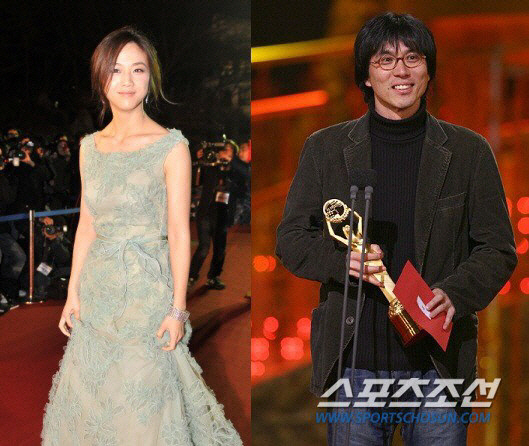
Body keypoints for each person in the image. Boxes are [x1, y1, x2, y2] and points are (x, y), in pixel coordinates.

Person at [276, 12, 517, 446]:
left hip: (438, 367)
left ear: (428, 71)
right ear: (366, 76)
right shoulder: (326, 149)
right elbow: (291, 240)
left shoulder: (469, 152)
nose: (401, 71)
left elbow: (497, 248)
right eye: (385, 60)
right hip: (355, 364)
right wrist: (343, 263)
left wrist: (455, 294)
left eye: (413, 58)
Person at [41, 26, 242, 445]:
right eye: (116, 70)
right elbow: (87, 224)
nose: (127, 81)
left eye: (138, 69)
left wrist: (177, 309)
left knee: (144, 406)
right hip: (98, 292)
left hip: (147, 295)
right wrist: (73, 292)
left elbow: (178, 232)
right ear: (101, 78)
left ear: (151, 78)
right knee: (94, 403)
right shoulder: (89, 147)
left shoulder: (171, 147)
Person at [188, 140, 239, 290]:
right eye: (223, 149)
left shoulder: (235, 170)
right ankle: (191, 276)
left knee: (219, 249)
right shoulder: (211, 166)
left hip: (222, 214)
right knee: (204, 247)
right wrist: (199, 156)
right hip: (205, 212)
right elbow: (195, 173)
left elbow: (242, 178)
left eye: (228, 150)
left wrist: (231, 163)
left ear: (233, 154)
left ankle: (213, 277)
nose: (224, 152)